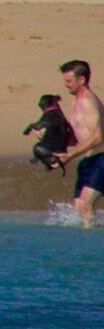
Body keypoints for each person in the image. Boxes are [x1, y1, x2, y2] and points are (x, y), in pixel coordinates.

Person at [53, 60, 103, 225]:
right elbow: (79, 136)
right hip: (88, 160)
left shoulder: (87, 101)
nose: (66, 85)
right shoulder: (74, 101)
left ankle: (91, 248)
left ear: (81, 80)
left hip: (101, 158)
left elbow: (98, 136)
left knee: (84, 204)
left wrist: (70, 155)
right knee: (78, 207)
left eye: (69, 81)